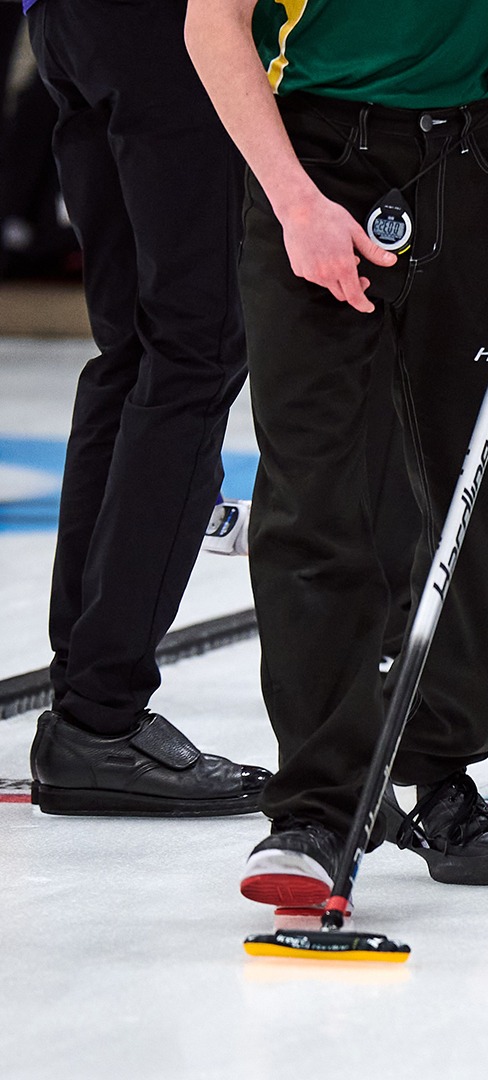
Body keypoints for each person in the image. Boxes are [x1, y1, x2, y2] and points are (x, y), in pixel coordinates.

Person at [183, 0, 488, 904]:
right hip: (317, 157)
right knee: (316, 489)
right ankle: (313, 808)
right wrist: (293, 201)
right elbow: (210, 24)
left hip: (485, 153)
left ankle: (441, 772)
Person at [22, 0, 271, 816]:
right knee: (193, 350)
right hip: (163, 27)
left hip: (66, 24)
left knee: (132, 348)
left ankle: (84, 694)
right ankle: (99, 712)